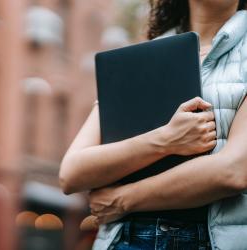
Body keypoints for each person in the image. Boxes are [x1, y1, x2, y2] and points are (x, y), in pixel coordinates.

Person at [59, 0, 247, 249]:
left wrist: (123, 199)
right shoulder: (140, 58)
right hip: (123, 240)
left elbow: (233, 171)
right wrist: (166, 139)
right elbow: (71, 172)